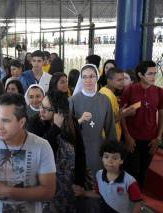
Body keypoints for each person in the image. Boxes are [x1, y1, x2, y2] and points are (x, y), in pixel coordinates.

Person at [0, 93, 56, 213]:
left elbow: (48, 192)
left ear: (21, 122)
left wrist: (8, 191)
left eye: (5, 121)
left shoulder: (42, 147)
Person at [27, 91, 86, 213]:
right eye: (41, 106)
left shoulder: (71, 122)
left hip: (67, 185)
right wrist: (55, 128)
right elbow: (39, 152)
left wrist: (79, 182)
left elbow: (80, 153)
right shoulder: (34, 123)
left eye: (47, 109)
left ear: (59, 112)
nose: (41, 111)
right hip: (44, 184)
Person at [70, 64, 117, 213]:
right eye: (85, 77)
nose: (88, 80)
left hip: (98, 151)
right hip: (78, 151)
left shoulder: (105, 100)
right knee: (78, 189)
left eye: (92, 76)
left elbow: (110, 130)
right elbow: (67, 130)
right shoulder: (73, 100)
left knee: (97, 189)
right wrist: (79, 121)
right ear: (81, 80)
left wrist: (114, 156)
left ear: (97, 77)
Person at [120, 60, 163, 188]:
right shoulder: (129, 90)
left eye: (155, 73)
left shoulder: (159, 92)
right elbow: (121, 115)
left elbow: (161, 115)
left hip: (151, 140)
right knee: (132, 171)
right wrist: (127, 136)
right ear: (140, 75)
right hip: (132, 139)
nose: (154, 77)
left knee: (143, 172)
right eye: (150, 74)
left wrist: (158, 138)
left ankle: (138, 202)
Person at [73, 142, 142, 213]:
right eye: (106, 157)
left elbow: (138, 203)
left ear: (121, 160)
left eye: (115, 158)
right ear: (102, 158)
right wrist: (84, 193)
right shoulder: (99, 174)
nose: (109, 161)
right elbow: (98, 193)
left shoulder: (130, 181)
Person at [99, 68, 136, 141]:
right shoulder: (107, 96)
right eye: (119, 80)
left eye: (123, 79)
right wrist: (125, 114)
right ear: (109, 80)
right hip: (108, 139)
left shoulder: (108, 92)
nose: (122, 82)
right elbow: (106, 122)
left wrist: (124, 112)